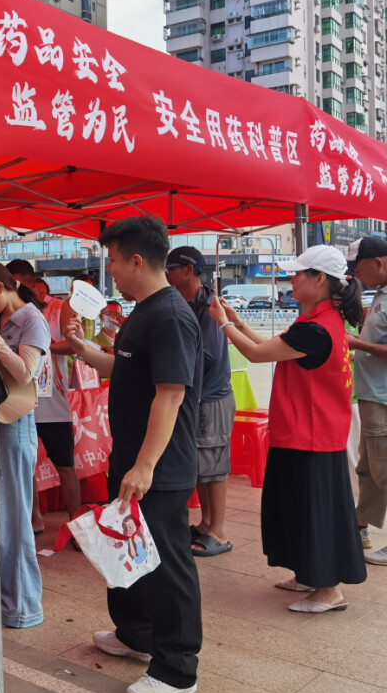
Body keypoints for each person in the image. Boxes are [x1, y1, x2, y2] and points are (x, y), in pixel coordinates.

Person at [65, 216, 203, 693]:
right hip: (131, 459)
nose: (111, 271)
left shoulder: (169, 316)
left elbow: (171, 394)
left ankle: (177, 668)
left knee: (167, 566)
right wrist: (83, 349)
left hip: (158, 466)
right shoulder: (143, 311)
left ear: (137, 261)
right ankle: (135, 633)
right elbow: (124, 369)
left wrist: (144, 466)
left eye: (114, 261)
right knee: (128, 551)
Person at [211, 245, 367, 611]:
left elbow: (257, 354)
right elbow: (271, 346)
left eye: (298, 273)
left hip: (310, 435)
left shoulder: (316, 330)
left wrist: (224, 324)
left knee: (313, 513)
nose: (291, 279)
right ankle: (309, 575)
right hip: (306, 432)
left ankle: (329, 590)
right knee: (297, 508)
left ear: (320, 279)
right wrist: (236, 322)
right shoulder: (318, 322)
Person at [0, 260, 51, 628]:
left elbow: (26, 373)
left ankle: (23, 607)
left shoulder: (31, 319)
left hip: (15, 422)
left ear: (0, 287)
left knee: (14, 517)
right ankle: (3, 595)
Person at [165, 247, 235, 557]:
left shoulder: (209, 306)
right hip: (198, 396)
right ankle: (206, 524)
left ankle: (218, 531)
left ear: (188, 270)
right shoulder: (188, 303)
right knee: (202, 465)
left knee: (214, 464)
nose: (166, 274)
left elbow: (209, 356)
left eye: (170, 269)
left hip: (211, 397)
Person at [347, 236, 387, 566]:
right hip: (370, 393)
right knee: (368, 468)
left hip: (382, 397)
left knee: (383, 468)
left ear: (378, 263)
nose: (358, 276)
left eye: (359, 269)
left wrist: (357, 344)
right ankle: (360, 526)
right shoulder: (379, 294)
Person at [32, 271, 80, 535]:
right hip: (22, 404)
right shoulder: (11, 310)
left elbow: (74, 346)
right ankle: (34, 520)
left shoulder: (59, 308)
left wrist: (41, 346)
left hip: (55, 406)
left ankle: (78, 526)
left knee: (66, 467)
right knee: (25, 467)